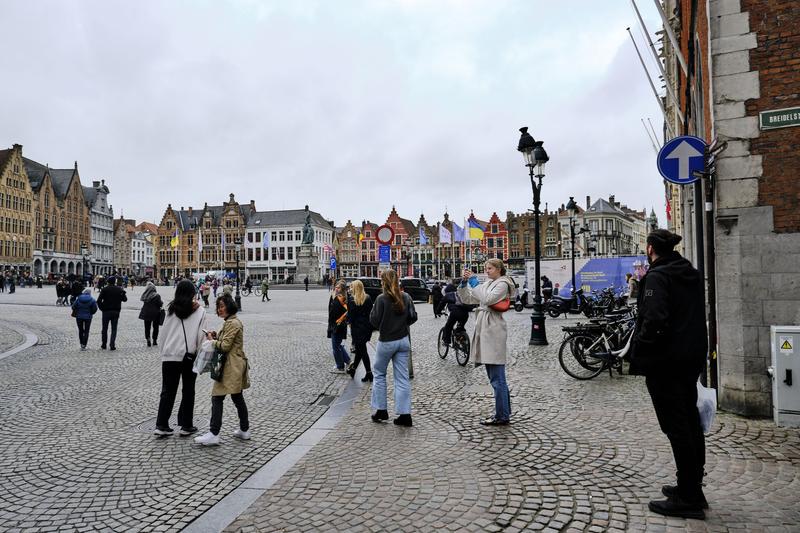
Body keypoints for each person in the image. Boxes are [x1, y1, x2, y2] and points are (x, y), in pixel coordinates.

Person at [629, 229, 708, 519]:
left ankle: (688, 497)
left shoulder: (658, 277)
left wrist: (642, 350)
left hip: (666, 363)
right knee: (689, 422)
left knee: (676, 426)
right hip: (689, 358)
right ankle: (691, 486)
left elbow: (654, 320)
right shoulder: (689, 272)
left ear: (650, 249)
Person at [458, 259, 516, 426]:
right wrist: (463, 284)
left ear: (498, 269)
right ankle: (504, 411)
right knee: (495, 377)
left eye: (489, 268)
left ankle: (502, 415)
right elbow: (469, 299)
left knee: (497, 377)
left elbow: (488, 299)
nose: (487, 271)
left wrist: (474, 281)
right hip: (486, 329)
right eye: (486, 268)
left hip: (493, 330)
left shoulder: (503, 284)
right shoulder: (491, 282)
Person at [195, 294, 251, 446]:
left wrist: (213, 342)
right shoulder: (230, 322)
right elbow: (225, 341)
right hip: (232, 365)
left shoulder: (233, 323)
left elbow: (225, 346)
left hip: (231, 366)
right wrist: (214, 336)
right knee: (237, 398)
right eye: (218, 307)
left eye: (222, 306)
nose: (219, 309)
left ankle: (214, 433)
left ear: (229, 306)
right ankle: (244, 430)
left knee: (217, 396)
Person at [154, 279, 207, 437]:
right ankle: (186, 425)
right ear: (192, 293)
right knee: (188, 390)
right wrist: (198, 352)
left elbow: (163, 335)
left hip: (170, 356)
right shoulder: (199, 311)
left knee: (167, 391)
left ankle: (161, 425)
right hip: (188, 356)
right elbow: (201, 337)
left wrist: (165, 351)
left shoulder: (170, 310)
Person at [369, 269, 417, 427]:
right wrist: (401, 325)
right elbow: (412, 317)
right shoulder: (406, 296)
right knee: (402, 378)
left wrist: (385, 325)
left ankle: (381, 410)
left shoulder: (381, 299)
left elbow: (374, 321)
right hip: (403, 340)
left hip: (387, 341)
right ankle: (405, 414)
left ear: (383, 282)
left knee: (379, 374)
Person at [346, 280, 374, 382]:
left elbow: (351, 316)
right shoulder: (368, 298)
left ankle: (369, 373)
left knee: (363, 351)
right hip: (366, 327)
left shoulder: (352, 300)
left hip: (357, 329)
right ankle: (353, 369)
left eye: (351, 287)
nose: (350, 289)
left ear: (355, 288)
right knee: (359, 350)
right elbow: (371, 313)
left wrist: (348, 322)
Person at [96, 276, 127, 351]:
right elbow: (125, 299)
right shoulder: (119, 289)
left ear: (108, 282)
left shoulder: (105, 289)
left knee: (104, 329)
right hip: (116, 311)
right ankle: (112, 344)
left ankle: (104, 344)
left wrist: (102, 308)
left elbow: (98, 300)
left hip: (106, 311)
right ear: (114, 282)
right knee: (114, 329)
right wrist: (122, 294)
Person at [327, 281, 351, 373]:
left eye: (339, 288)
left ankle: (340, 366)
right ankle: (348, 361)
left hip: (337, 325)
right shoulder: (345, 298)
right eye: (336, 287)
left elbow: (333, 313)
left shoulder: (338, 299)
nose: (336, 289)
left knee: (336, 346)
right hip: (340, 324)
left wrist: (333, 299)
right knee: (338, 344)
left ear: (343, 289)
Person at [440, 279, 473, 345]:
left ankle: (447, 341)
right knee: (461, 327)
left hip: (455, 313)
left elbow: (442, 303)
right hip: (465, 314)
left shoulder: (449, 294)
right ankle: (462, 341)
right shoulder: (465, 292)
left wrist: (438, 311)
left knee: (449, 326)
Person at [139, 282, 164, 347]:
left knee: (147, 327)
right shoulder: (157, 295)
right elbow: (160, 304)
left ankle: (148, 338)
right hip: (155, 313)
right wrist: (161, 302)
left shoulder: (145, 295)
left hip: (146, 313)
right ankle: (155, 340)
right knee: (155, 327)